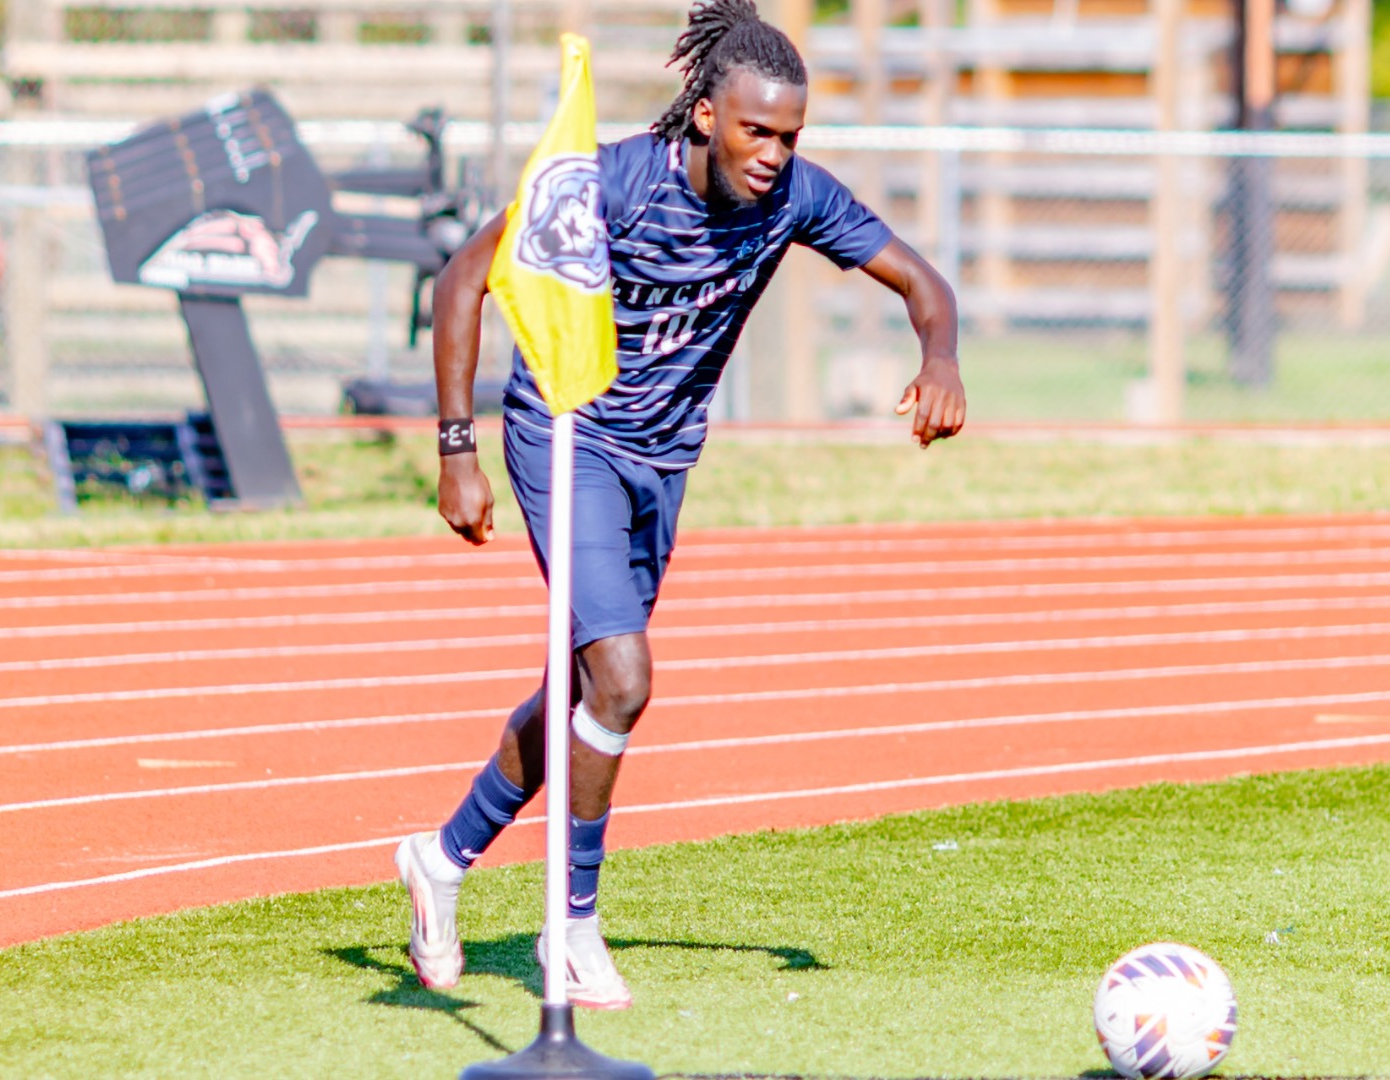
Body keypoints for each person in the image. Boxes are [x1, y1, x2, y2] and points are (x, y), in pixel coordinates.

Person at [394, 0, 967, 1010]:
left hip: (664, 461)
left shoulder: (794, 199)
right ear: (705, 114)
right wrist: (455, 450)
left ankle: (440, 861)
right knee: (622, 678)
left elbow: (925, 285)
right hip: (567, 435)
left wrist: (942, 360)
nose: (774, 155)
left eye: (790, 136)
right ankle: (572, 926)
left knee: (584, 696)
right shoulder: (607, 183)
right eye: (757, 131)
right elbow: (461, 282)